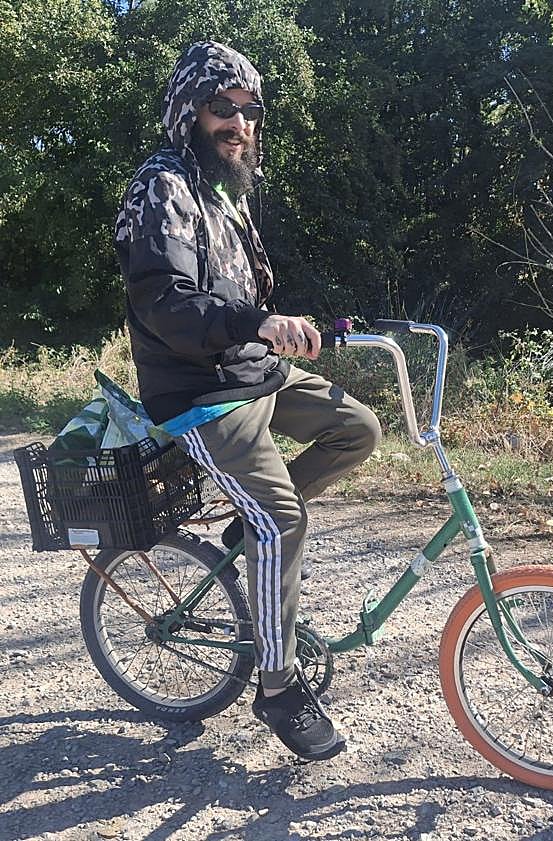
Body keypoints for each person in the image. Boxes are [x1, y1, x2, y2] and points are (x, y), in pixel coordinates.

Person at [114, 40, 381, 761]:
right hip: (199, 393)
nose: (238, 122)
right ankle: (277, 686)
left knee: (358, 426)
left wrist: (278, 326)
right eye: (220, 107)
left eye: (249, 109)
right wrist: (255, 324)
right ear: (186, 111)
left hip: (251, 372)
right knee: (283, 521)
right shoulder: (161, 186)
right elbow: (166, 301)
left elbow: (240, 300)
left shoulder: (226, 192)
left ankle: (249, 526)